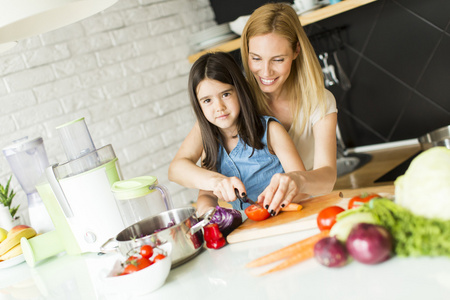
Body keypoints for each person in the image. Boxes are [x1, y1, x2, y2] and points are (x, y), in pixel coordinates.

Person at [169, 3, 337, 214]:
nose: (265, 72)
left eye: (278, 59)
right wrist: (215, 182)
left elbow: (328, 177)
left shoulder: (319, 101)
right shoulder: (233, 99)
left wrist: (297, 180)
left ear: (296, 51)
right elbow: (177, 168)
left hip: (306, 208)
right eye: (256, 58)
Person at [187, 51, 306, 215]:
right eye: (207, 100)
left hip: (288, 217)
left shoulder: (271, 131)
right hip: (250, 228)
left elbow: (302, 186)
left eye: (226, 94)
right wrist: (207, 211)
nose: (219, 107)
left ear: (240, 91)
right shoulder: (211, 144)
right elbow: (206, 194)